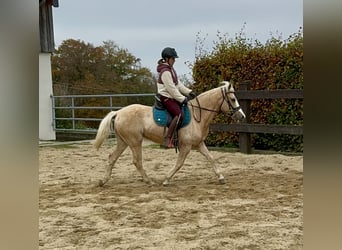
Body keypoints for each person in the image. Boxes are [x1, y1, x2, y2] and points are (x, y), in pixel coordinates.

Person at [156, 47, 196, 148]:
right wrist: (182, 99)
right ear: (166, 59)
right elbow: (171, 89)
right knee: (178, 115)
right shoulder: (165, 71)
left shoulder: (171, 70)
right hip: (165, 97)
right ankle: (168, 139)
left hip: (171, 97)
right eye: (173, 58)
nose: (174, 60)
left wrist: (189, 92)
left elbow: (178, 85)